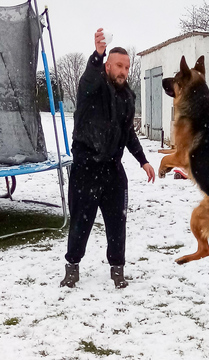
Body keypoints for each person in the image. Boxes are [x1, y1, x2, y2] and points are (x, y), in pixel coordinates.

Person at [60, 28, 155, 289]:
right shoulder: (92, 87)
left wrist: (142, 160)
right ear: (108, 66)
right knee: (81, 220)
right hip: (86, 167)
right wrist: (96, 56)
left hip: (113, 168)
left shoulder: (126, 97)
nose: (124, 71)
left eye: (127, 66)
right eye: (119, 66)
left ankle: (117, 268)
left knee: (117, 221)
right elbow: (88, 80)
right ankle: (72, 266)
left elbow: (128, 133)